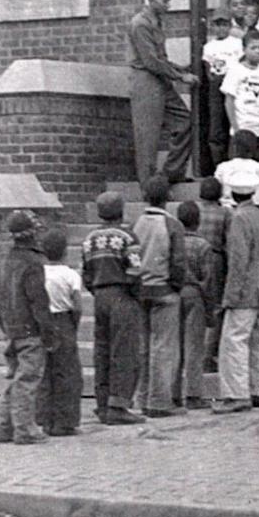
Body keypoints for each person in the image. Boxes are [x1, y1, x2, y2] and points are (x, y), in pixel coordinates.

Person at [213, 171, 259, 414]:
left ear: (232, 192)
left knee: (234, 341)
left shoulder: (238, 219)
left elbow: (238, 260)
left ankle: (237, 394)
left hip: (245, 288)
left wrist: (231, 294)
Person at [81, 191, 146, 425]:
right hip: (122, 295)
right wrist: (135, 295)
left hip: (100, 295)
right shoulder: (128, 237)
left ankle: (102, 402)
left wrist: (97, 290)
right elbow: (135, 270)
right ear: (121, 210)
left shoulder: (90, 239)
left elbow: (86, 273)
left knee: (102, 349)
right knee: (124, 350)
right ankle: (119, 405)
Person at [0, 209, 55, 445]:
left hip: (11, 327)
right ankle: (24, 429)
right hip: (30, 329)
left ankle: (4, 426)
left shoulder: (5, 261)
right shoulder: (34, 262)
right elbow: (39, 302)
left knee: (14, 378)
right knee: (28, 379)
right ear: (32, 234)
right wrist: (48, 333)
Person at [128, 0, 198, 184]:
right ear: (151, 0)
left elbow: (159, 59)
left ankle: (171, 173)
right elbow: (150, 61)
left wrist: (179, 69)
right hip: (145, 82)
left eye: (169, 0)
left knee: (185, 121)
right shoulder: (140, 24)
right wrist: (180, 76)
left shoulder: (156, 21)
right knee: (148, 138)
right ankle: (149, 189)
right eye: (164, 0)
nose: (169, 5)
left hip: (160, 80)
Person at [133, 174, 187, 418]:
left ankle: (141, 397)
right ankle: (159, 401)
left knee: (143, 348)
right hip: (164, 290)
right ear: (169, 197)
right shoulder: (173, 225)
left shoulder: (136, 224)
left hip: (141, 290)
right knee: (163, 348)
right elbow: (178, 262)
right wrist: (175, 285)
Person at [35, 227, 84, 437]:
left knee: (45, 372)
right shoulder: (71, 275)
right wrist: (74, 323)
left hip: (43, 321)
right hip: (64, 321)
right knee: (67, 372)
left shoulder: (39, 273)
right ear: (65, 251)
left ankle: (45, 418)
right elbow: (78, 305)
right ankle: (65, 421)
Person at [175, 200, 212, 409]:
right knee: (194, 347)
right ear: (198, 221)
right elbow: (207, 279)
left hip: (175, 293)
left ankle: (173, 392)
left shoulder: (175, 242)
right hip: (194, 294)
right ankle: (193, 394)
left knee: (175, 345)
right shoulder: (203, 246)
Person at [221, 29, 259, 163]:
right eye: (253, 47)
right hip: (243, 129)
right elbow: (229, 101)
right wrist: (235, 128)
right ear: (244, 49)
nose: (257, 51)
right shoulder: (235, 71)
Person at [195, 176, 230, 372]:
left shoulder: (194, 210)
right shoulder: (224, 213)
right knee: (215, 307)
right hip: (215, 258)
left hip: (192, 256)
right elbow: (227, 241)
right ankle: (208, 356)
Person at [203, 9, 244, 168]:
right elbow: (208, 69)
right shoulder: (209, 47)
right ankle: (219, 166)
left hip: (234, 84)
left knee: (235, 122)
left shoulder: (237, 43)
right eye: (217, 25)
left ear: (230, 25)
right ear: (212, 27)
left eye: (224, 24)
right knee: (217, 126)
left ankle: (236, 162)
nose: (221, 28)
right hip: (217, 86)